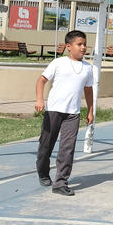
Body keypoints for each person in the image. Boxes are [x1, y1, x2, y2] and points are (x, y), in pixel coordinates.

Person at [35, 29, 95, 196]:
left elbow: (88, 90)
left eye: (84, 44)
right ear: (69, 46)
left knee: (67, 148)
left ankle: (60, 182)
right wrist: (40, 99)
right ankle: (42, 171)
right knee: (46, 145)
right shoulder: (58, 63)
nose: (83, 47)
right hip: (53, 110)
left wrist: (90, 111)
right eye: (79, 44)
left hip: (72, 114)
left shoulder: (87, 68)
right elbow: (41, 81)